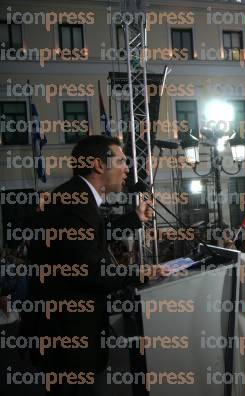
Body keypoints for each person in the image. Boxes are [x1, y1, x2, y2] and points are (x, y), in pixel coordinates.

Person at [25, 135, 159, 396]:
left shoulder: (77, 197)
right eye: (121, 161)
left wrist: (134, 218)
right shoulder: (74, 203)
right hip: (68, 341)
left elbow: (94, 235)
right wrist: (140, 273)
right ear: (99, 165)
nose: (127, 169)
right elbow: (90, 272)